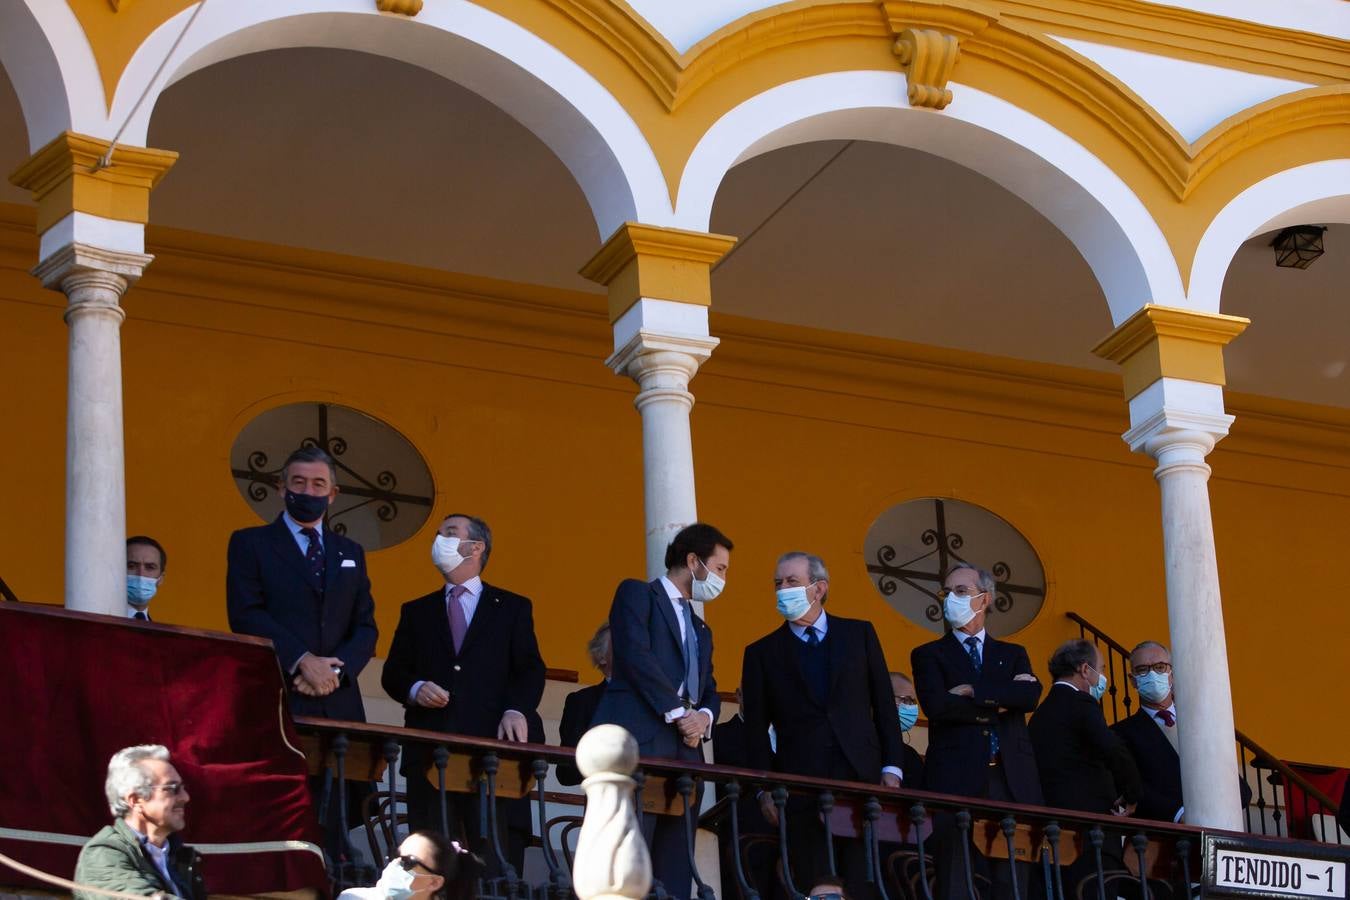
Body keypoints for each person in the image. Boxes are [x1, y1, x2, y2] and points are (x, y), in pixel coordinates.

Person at [381, 512, 546, 866]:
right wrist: (416, 687)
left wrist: (516, 708)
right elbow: (393, 673)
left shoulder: (512, 607)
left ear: (476, 547)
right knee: (430, 857)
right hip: (429, 750)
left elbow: (530, 668)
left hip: (489, 753)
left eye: (450, 533)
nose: (440, 539)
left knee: (491, 860)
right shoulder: (416, 611)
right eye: (439, 534)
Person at [741, 551, 904, 898]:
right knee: (819, 884)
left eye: (792, 582)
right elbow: (755, 729)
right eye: (778, 583)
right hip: (799, 788)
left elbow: (884, 707)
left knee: (863, 883)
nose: (783, 589)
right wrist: (763, 787)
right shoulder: (761, 653)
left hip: (862, 780)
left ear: (819, 588)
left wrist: (893, 767)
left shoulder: (859, 634)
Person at [591, 522, 730, 900]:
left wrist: (704, 717)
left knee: (673, 867)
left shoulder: (702, 629)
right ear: (693, 561)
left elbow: (711, 689)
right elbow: (636, 656)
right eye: (719, 569)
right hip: (639, 741)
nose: (722, 579)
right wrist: (678, 713)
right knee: (626, 858)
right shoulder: (637, 594)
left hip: (687, 753)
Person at [910, 562, 1042, 900]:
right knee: (956, 878)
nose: (950, 598)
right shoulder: (928, 654)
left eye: (961, 591)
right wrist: (1000, 698)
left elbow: (1028, 697)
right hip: (955, 778)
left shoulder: (1012, 654)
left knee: (1012, 881)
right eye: (948, 591)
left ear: (985, 599)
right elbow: (939, 707)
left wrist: (973, 691)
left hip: (1010, 779)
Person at [226, 445, 378, 720]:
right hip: (276, 694)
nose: (308, 491)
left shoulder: (351, 551)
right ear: (282, 488)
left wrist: (333, 673)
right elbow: (246, 614)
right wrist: (301, 660)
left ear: (332, 494)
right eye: (299, 482)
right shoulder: (250, 543)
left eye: (318, 484)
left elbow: (366, 627)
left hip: (339, 701)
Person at [1029, 640, 1141, 899]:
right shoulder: (1082, 704)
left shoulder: (1040, 713)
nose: (1101, 676)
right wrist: (1133, 794)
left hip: (1054, 829)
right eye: (1100, 668)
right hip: (1092, 831)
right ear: (1084, 669)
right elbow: (1113, 750)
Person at [1111, 640, 1250, 823]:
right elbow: (1133, 787)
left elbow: (1236, 786)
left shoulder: (1202, 726)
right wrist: (1179, 814)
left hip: (1216, 828)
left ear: (1172, 674)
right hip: (1164, 838)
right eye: (1142, 669)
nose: (1152, 674)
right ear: (1133, 681)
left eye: (1160, 667)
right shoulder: (1120, 733)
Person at [73, 744, 204, 900]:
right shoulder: (102, 854)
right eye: (173, 789)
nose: (185, 797)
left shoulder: (178, 856)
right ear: (135, 800)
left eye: (183, 788)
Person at [338, 830, 485, 900]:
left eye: (408, 861)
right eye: (396, 855)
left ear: (434, 882)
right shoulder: (354, 898)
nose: (396, 864)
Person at [557, 622, 611, 786]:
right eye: (623, 640)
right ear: (601, 657)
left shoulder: (655, 700)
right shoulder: (582, 702)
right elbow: (567, 771)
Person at [890, 672, 926, 790]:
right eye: (905, 700)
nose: (910, 707)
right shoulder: (865, 748)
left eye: (912, 702)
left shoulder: (911, 757)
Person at [126, 536, 167, 622]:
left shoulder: (157, 633)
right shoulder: (96, 619)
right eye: (131, 566)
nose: (141, 574)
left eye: (150, 567)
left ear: (161, 578)